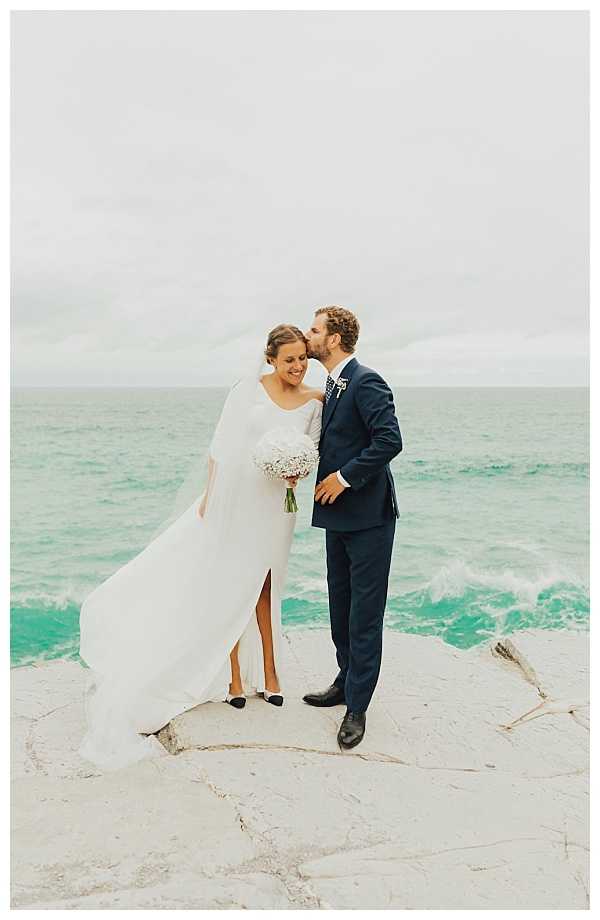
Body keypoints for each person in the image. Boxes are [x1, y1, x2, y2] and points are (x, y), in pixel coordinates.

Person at [78, 325, 323, 770]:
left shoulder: (314, 400)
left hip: (277, 503)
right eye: (289, 359)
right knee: (229, 581)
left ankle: (270, 672)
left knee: (267, 584)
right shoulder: (247, 390)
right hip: (237, 498)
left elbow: (315, 449)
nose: (298, 366)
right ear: (270, 359)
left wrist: (297, 473)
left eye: (303, 358)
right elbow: (220, 447)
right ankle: (232, 677)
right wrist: (211, 498)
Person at [303, 306, 403, 749]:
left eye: (315, 329)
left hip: (368, 517)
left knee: (365, 614)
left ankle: (357, 707)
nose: (309, 335)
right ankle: (345, 679)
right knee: (339, 602)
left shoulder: (366, 381)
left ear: (336, 338)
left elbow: (389, 440)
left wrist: (343, 478)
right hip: (337, 516)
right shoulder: (331, 384)